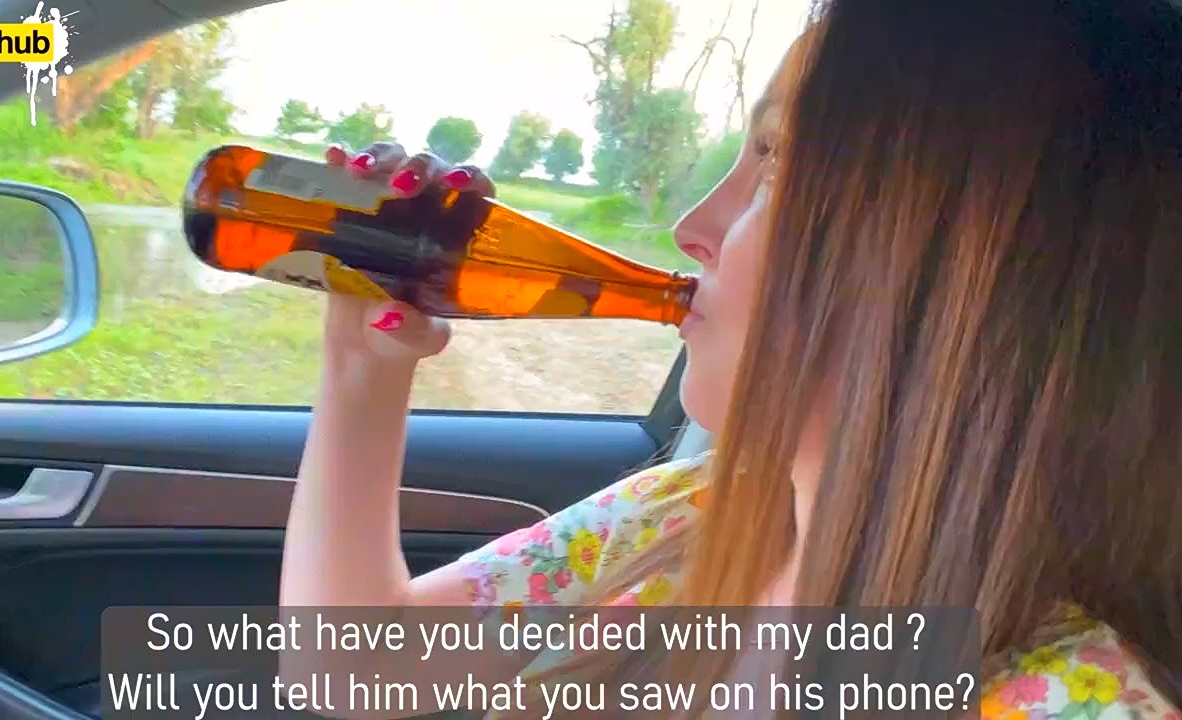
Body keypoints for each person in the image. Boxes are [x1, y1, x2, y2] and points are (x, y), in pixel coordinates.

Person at [279, 0, 1182, 717]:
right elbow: (354, 669)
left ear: (958, 270)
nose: (691, 229)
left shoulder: (1072, 700)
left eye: (776, 163)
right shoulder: (687, 516)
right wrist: (364, 365)